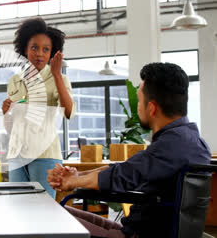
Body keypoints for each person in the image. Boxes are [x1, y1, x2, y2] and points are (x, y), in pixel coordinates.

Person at [47, 62, 211, 237]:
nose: (137, 107)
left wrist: (73, 182)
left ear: (152, 107)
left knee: (49, 219)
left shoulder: (172, 145)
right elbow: (127, 168)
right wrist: (78, 175)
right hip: (134, 229)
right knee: (54, 212)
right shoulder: (187, 141)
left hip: (137, 235)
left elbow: (121, 177)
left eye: (139, 101)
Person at [1, 18, 75, 198]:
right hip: (17, 154)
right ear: (25, 50)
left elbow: (68, 112)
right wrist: (6, 114)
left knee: (43, 210)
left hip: (45, 153)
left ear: (52, 53)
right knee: (17, 208)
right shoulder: (15, 81)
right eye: (34, 47)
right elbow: (12, 128)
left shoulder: (60, 79)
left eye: (45, 49)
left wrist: (57, 75)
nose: (39, 54)